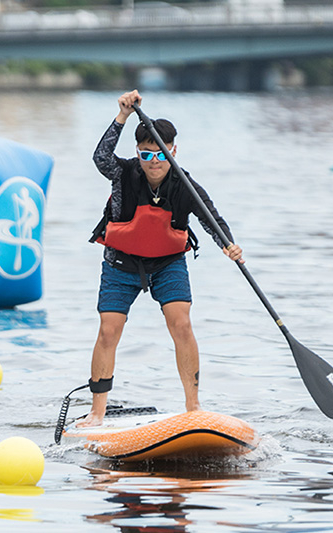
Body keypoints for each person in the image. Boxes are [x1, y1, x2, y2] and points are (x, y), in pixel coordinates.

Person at [77, 90, 243, 428]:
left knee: (181, 323)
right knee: (109, 331)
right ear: (138, 153)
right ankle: (97, 412)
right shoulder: (123, 173)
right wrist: (122, 115)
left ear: (173, 151)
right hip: (121, 262)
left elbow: (212, 218)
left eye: (160, 154)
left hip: (167, 263)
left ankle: (193, 407)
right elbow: (100, 157)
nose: (154, 161)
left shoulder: (185, 184)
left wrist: (229, 245)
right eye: (146, 154)